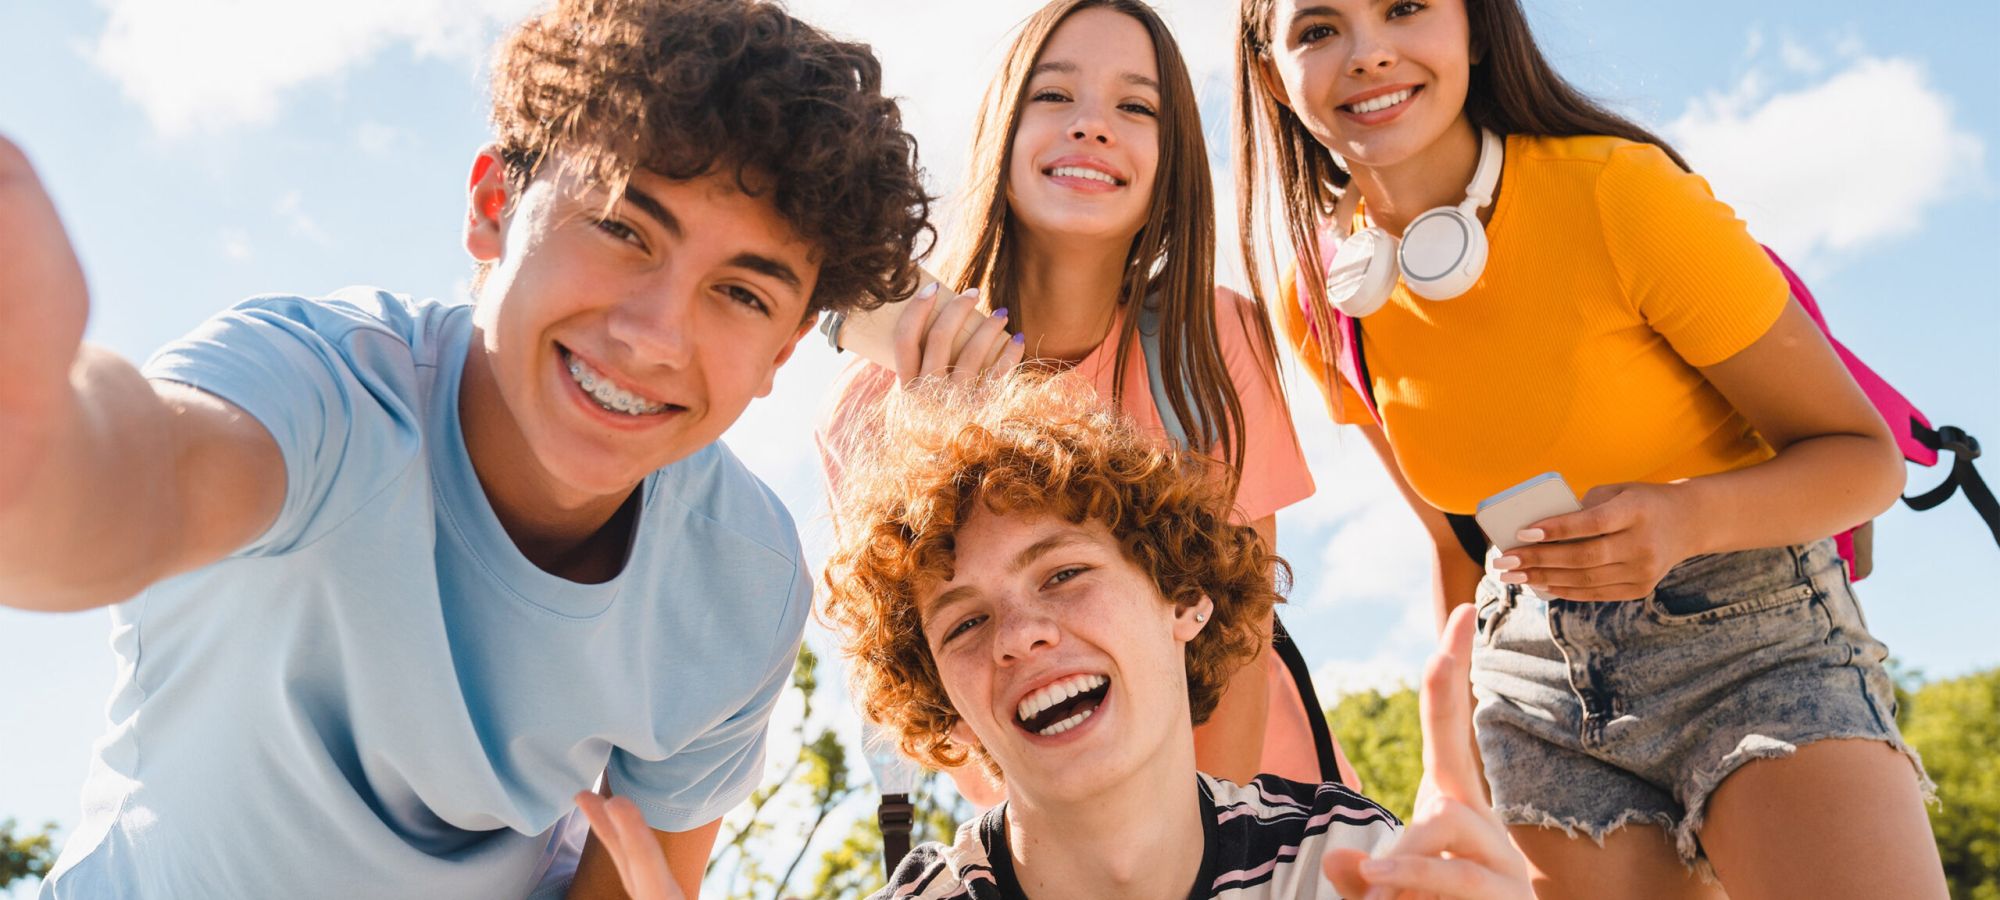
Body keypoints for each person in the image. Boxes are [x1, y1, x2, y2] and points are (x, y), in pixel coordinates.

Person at [0, 0, 929, 896]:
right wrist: (33, 454)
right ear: (494, 205)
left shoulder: (744, 586)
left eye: (741, 293)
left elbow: (633, 885)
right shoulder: (319, 388)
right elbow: (136, 479)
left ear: (780, 354)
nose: (654, 336)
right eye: (620, 227)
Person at [1232, 0, 1947, 897]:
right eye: (1317, 29)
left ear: (1476, 29)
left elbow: (1862, 460)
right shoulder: (1326, 298)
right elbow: (1456, 546)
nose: (1368, 54)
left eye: (1406, 8)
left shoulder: (1617, 192)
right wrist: (1446, 756)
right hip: (1533, 678)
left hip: (1750, 642)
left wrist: (1685, 518)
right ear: (1273, 75)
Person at [580, 372, 1535, 899]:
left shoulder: (1347, 868)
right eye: (965, 621)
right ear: (939, 703)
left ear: (1184, 601)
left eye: (1065, 575)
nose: (1021, 637)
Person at [817, 0, 1349, 801]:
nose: (1093, 127)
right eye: (1055, 95)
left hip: (1254, 809)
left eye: (1136, 107)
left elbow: (1241, 636)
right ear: (1004, 126)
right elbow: (945, 695)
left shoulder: (1209, 340)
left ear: (1170, 161)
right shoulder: (870, 409)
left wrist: (1207, 852)